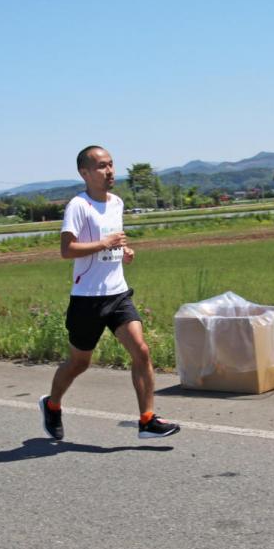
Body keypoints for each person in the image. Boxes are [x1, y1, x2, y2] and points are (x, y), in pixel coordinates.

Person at [39, 146, 181, 441]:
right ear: (85, 173)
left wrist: (123, 251)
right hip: (87, 299)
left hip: (117, 294)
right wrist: (105, 243)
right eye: (102, 166)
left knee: (141, 351)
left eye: (112, 165)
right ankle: (52, 405)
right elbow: (67, 250)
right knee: (80, 362)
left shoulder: (116, 202)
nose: (110, 171)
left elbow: (113, 243)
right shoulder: (78, 206)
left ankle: (147, 419)